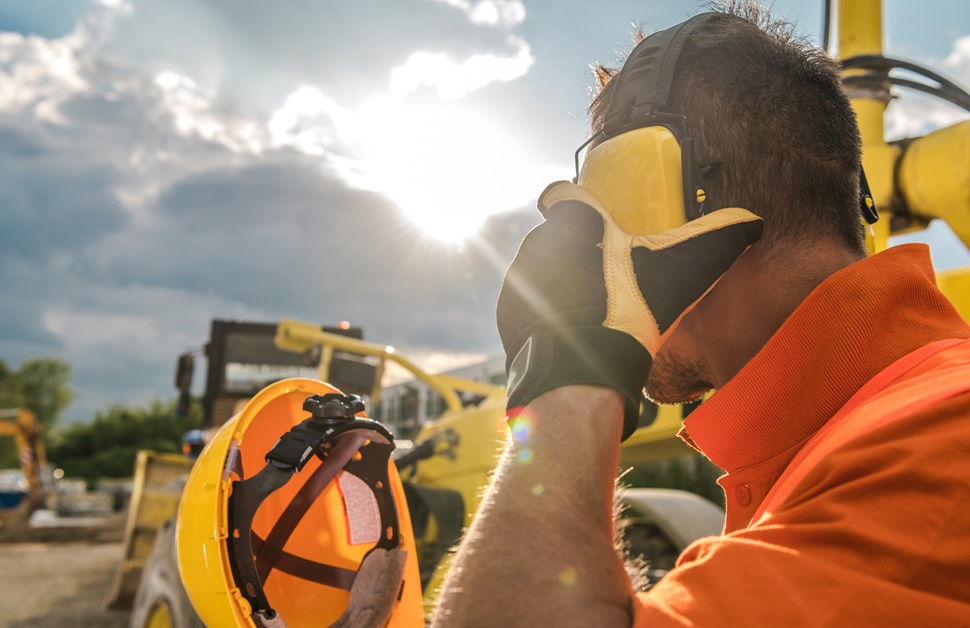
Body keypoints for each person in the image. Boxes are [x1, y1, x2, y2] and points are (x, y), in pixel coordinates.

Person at [431, 2, 970, 626]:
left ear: (664, 213)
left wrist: (570, 366)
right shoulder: (847, 443)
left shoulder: (934, 440)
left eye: (602, 210)